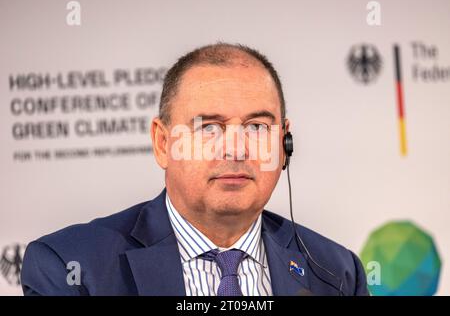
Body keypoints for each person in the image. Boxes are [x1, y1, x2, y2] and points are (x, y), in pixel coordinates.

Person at [21, 43, 369, 296]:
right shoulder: (72, 267)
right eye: (209, 127)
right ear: (162, 143)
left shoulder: (337, 273)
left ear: (284, 143)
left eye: (257, 128)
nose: (235, 148)